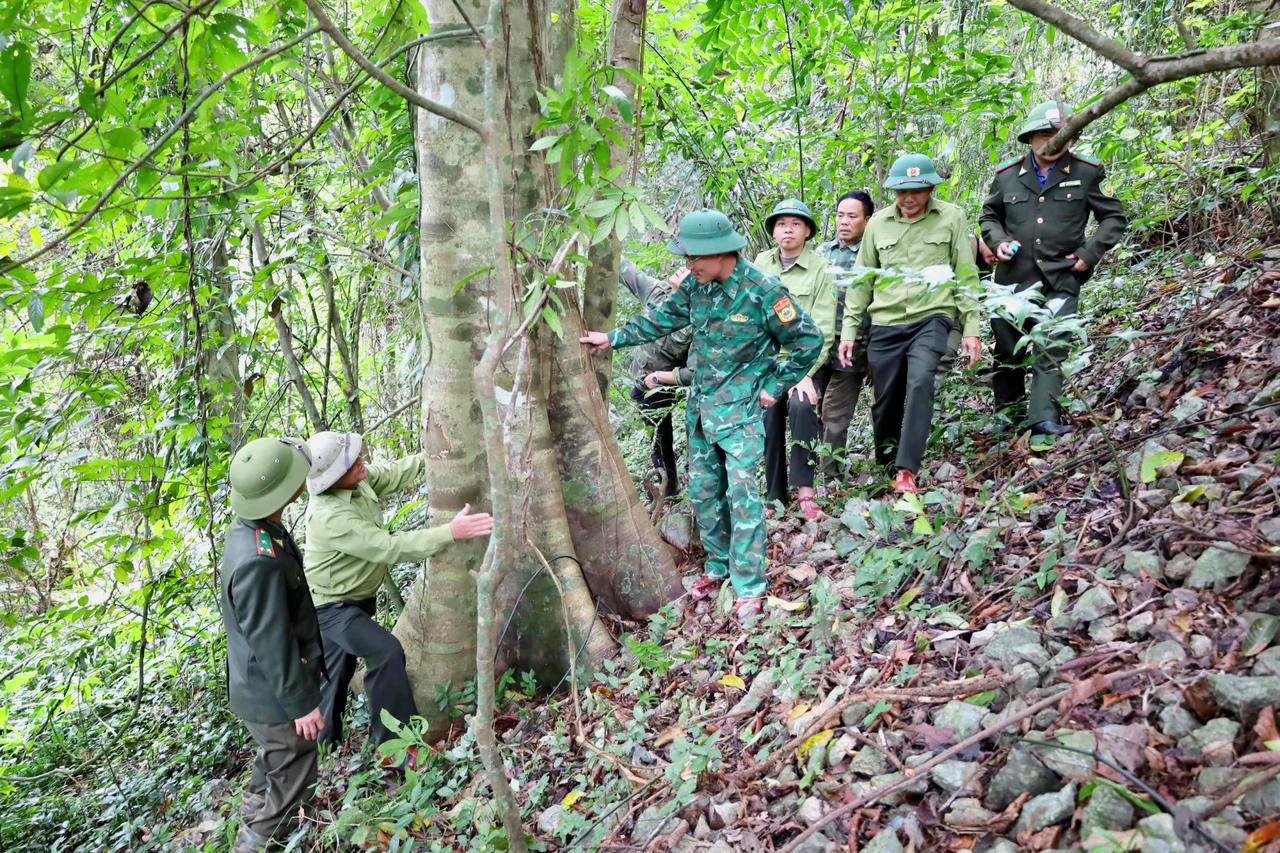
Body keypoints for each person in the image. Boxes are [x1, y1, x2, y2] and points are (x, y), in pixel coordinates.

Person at [580, 209, 823, 621]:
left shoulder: (764, 291)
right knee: (705, 495)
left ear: (721, 252)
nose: (688, 265)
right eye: (687, 257)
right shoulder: (696, 286)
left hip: (741, 412)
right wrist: (612, 338)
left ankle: (749, 585)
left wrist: (775, 384)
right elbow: (661, 319)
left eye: (694, 257)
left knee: (743, 498)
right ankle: (718, 566)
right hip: (702, 410)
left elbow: (809, 341)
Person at [303, 431, 493, 752]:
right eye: (350, 463)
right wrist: (450, 531)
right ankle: (397, 748)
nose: (360, 462)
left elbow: (392, 473)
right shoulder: (330, 516)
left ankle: (324, 747)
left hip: (352, 600)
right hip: (331, 609)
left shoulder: (357, 481)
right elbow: (388, 547)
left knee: (335, 676)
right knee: (386, 652)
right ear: (333, 480)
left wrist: (433, 458)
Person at [836, 153, 982, 495]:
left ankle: (906, 470)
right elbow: (861, 281)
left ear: (930, 188)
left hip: (932, 316)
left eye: (917, 190)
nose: (909, 198)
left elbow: (965, 273)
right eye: (902, 191)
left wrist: (971, 328)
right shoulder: (877, 224)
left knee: (920, 382)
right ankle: (887, 465)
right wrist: (848, 332)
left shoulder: (952, 217)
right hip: (886, 321)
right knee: (886, 399)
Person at [980, 100, 1127, 436]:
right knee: (1007, 348)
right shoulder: (1007, 175)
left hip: (1062, 275)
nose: (1051, 142)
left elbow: (1113, 217)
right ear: (1030, 138)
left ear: (1070, 138)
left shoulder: (1086, 172)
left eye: (1059, 135)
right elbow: (989, 215)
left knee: (1053, 344)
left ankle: (1043, 419)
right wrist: (998, 241)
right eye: (1043, 136)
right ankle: (1007, 416)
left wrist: (1090, 253)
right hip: (1013, 278)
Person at [220, 436, 324, 853]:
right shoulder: (257, 560)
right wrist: (301, 704)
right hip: (273, 694)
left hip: (260, 687)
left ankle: (251, 816)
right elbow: (271, 639)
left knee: (275, 760)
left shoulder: (257, 529)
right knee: (293, 769)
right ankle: (256, 842)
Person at [754, 198, 838, 519]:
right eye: (781, 224)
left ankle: (805, 490)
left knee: (802, 406)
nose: (787, 230)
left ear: (807, 231)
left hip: (805, 360)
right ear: (773, 231)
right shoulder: (761, 263)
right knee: (769, 414)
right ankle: (774, 496)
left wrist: (802, 372)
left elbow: (823, 328)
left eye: (795, 224)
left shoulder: (821, 268)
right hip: (769, 362)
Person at [619, 259, 693, 499]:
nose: (682, 269)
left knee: (695, 428)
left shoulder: (698, 315)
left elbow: (698, 367)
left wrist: (664, 378)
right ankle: (668, 490)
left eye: (690, 271)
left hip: (676, 382)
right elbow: (627, 272)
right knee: (659, 441)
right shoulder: (657, 292)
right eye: (685, 265)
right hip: (646, 384)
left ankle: (693, 482)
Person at [816, 190, 874, 477]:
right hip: (819, 345)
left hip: (854, 347)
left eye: (852, 216)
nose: (844, 222)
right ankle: (818, 468)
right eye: (840, 215)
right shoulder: (821, 253)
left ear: (867, 220)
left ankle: (831, 477)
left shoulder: (871, 254)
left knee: (835, 414)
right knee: (814, 408)